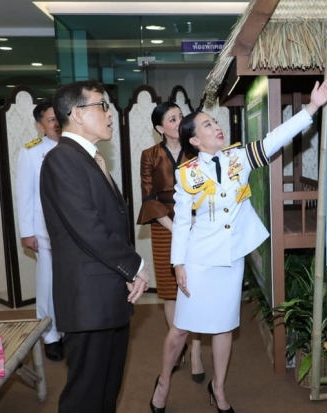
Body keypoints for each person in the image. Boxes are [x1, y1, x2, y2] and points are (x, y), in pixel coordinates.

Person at [149, 75, 327, 413]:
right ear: (195, 138)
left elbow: (275, 139)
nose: (217, 126)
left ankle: (218, 389)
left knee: (224, 327)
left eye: (215, 121)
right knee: (180, 330)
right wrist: (177, 264)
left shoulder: (239, 159)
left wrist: (312, 107)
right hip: (198, 261)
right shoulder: (186, 173)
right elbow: (181, 223)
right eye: (208, 124)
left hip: (231, 259)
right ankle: (163, 382)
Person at [40, 79, 150, 413]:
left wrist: (125, 272)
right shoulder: (62, 160)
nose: (109, 114)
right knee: (85, 396)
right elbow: (88, 227)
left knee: (106, 392)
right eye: (102, 105)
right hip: (88, 303)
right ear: (77, 114)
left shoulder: (89, 158)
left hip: (108, 295)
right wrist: (135, 266)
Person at [137, 101, 204, 382]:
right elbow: (149, 198)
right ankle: (178, 345)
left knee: (196, 287)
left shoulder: (196, 150)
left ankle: (197, 352)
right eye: (172, 119)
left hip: (199, 224)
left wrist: (192, 224)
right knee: (170, 289)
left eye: (180, 117)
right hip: (165, 226)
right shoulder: (149, 155)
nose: (179, 122)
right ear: (159, 128)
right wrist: (176, 227)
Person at [15, 100, 63, 361]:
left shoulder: (76, 147)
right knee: (48, 284)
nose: (56, 123)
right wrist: (27, 231)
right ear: (39, 125)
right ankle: (50, 334)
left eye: (59, 117)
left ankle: (68, 328)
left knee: (71, 282)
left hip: (74, 232)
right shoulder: (31, 152)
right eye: (50, 119)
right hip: (44, 231)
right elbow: (24, 195)